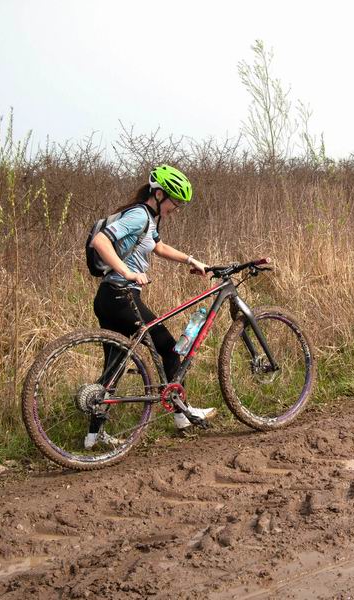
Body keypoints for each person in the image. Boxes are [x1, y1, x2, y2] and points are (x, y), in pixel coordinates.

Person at [86, 164, 215, 449]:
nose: (176, 208)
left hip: (109, 297)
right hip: (122, 294)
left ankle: (92, 437)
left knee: (114, 365)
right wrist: (127, 272)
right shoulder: (138, 216)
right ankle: (182, 415)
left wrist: (191, 261)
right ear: (158, 194)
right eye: (174, 201)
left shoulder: (149, 221)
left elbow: (158, 247)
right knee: (169, 349)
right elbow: (100, 241)